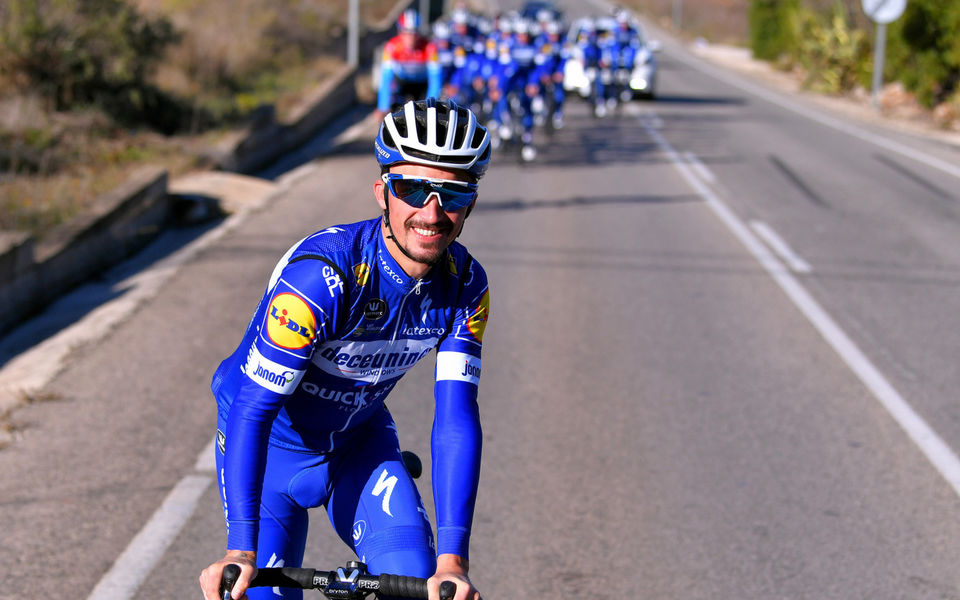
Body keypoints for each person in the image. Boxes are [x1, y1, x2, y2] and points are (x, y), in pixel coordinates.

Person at [199, 98, 492, 600]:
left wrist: (453, 561)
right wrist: (240, 552)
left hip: (358, 444)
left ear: (471, 203)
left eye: (453, 193)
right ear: (382, 192)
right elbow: (253, 407)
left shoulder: (466, 285)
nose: (431, 212)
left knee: (419, 586)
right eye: (413, 189)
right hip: (272, 449)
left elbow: (456, 418)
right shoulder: (322, 279)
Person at [376, 9, 442, 119]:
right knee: (393, 114)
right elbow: (386, 79)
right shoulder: (391, 47)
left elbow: (435, 80)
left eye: (414, 32)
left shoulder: (430, 48)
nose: (410, 37)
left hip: (422, 85)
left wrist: (430, 107)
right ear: (399, 31)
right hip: (402, 84)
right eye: (406, 31)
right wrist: (383, 107)